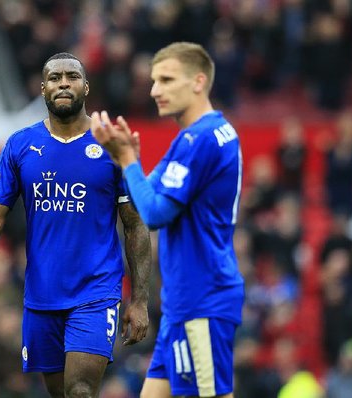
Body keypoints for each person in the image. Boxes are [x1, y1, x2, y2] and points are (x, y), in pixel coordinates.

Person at [0, 52, 152, 398]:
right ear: (42, 88)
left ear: (86, 87)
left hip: (95, 291)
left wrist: (140, 299)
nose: (63, 83)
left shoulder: (111, 144)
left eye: (71, 76)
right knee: (59, 393)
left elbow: (134, 225)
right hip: (42, 294)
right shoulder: (20, 145)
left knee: (81, 390)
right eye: (55, 77)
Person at [91, 42, 245, 398]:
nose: (154, 90)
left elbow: (156, 214)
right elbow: (150, 192)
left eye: (166, 79)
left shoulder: (201, 140)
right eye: (153, 80)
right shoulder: (196, 136)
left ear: (198, 81)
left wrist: (129, 162)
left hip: (202, 299)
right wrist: (125, 159)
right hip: (183, 302)